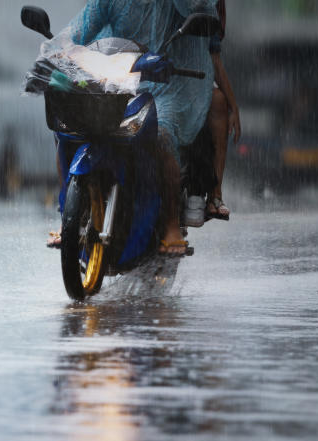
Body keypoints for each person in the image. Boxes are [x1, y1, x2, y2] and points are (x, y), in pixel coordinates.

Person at [46, 0, 219, 256]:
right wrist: (61, 49)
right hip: (120, 81)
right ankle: (67, 217)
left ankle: (171, 224)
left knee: (162, 135)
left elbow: (202, 9)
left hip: (171, 86)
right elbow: (77, 32)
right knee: (67, 131)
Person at [205, 0, 241, 220]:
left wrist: (233, 107)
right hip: (147, 76)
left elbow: (214, 60)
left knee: (219, 101)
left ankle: (215, 192)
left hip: (189, 82)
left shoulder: (208, 8)